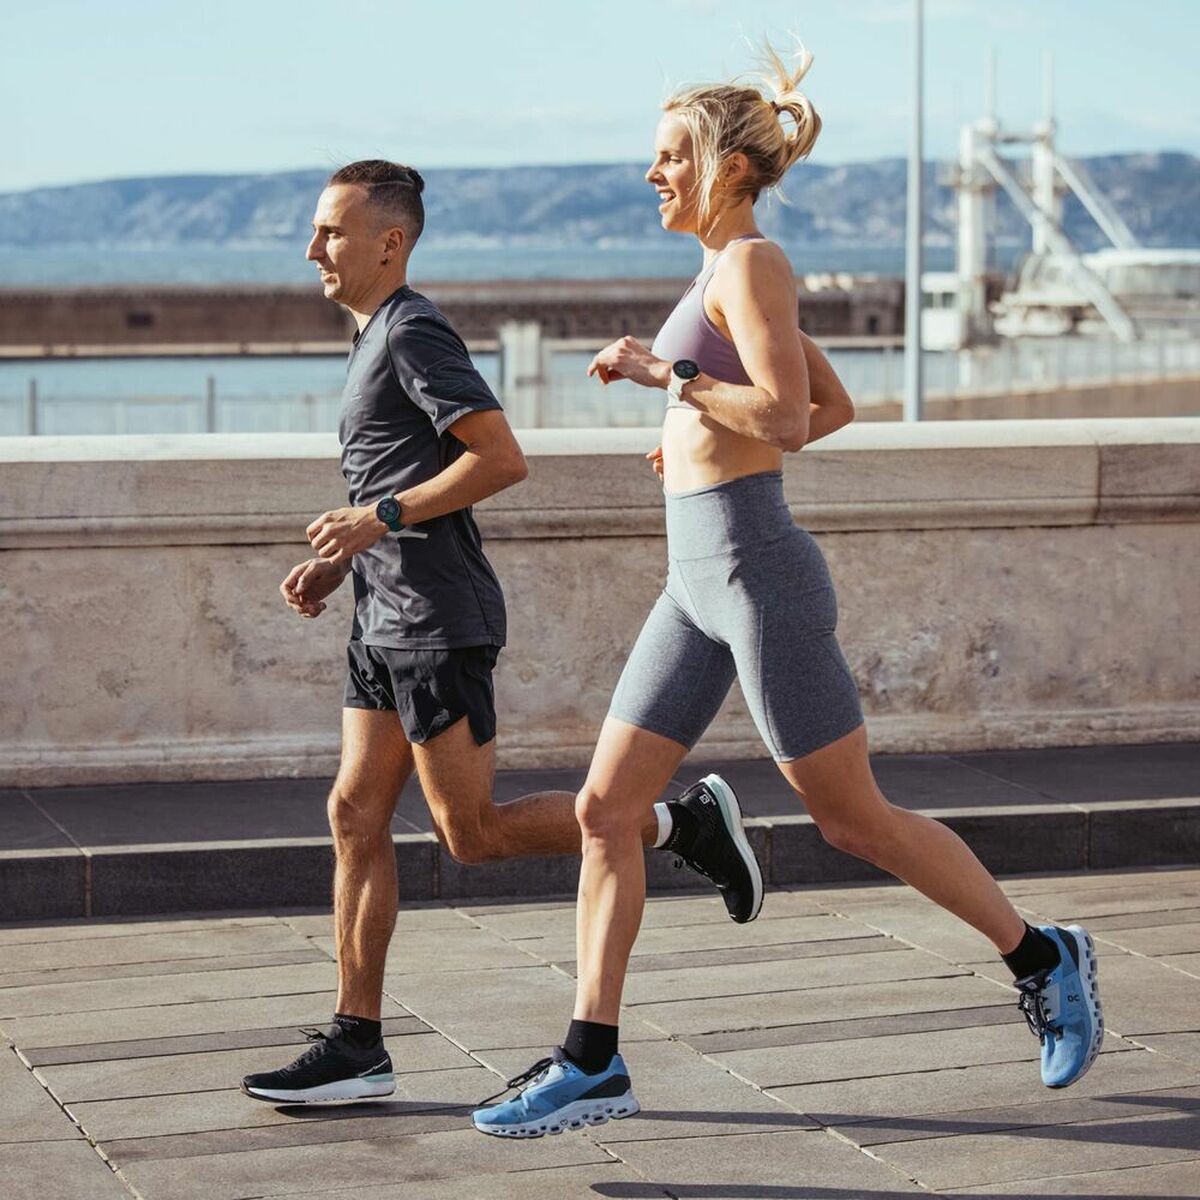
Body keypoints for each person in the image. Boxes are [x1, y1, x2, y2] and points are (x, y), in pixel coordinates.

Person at [472, 46, 1103, 1138]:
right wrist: (691, 438)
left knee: (853, 821)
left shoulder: (754, 264)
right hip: (695, 582)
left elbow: (791, 422)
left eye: (671, 157)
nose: (653, 174)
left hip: (759, 576)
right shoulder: (719, 271)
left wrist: (668, 379)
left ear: (725, 166)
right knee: (605, 811)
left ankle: (1042, 954)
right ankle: (591, 1061)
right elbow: (829, 402)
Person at [240, 160, 763, 1105]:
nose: (312, 248)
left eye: (331, 231)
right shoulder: (370, 336)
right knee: (354, 812)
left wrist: (377, 520)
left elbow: (500, 457)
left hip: (437, 622)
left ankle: (678, 822)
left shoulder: (413, 331)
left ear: (390, 242)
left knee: (470, 834)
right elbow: (396, 479)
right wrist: (345, 556)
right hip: (380, 617)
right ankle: (357, 1043)